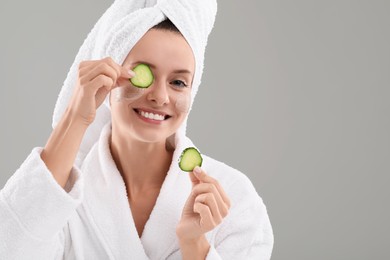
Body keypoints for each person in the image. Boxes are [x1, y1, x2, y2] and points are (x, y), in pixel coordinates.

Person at [0, 1, 273, 259]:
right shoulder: (66, 194)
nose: (160, 96)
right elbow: (11, 248)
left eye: (178, 82)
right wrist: (76, 116)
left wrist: (195, 245)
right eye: (144, 73)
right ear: (108, 79)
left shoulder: (236, 200)